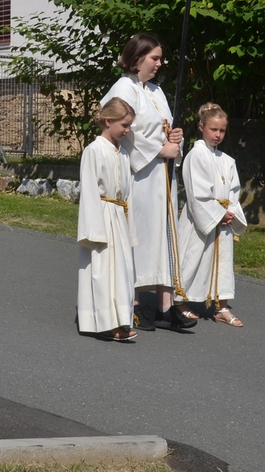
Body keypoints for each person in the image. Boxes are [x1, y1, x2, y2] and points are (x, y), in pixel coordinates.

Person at [100, 33, 194, 331]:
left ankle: (166, 306)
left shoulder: (156, 90)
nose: (159, 63)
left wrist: (175, 139)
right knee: (140, 235)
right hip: (139, 175)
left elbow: (163, 128)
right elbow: (122, 130)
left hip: (162, 177)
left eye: (160, 58)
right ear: (138, 58)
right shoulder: (123, 88)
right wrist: (158, 150)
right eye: (155, 58)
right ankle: (134, 303)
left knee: (163, 235)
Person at [177, 102, 247, 327]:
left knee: (222, 262)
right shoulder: (196, 155)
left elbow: (234, 191)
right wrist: (218, 214)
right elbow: (197, 194)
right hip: (201, 220)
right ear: (202, 127)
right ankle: (179, 301)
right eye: (213, 129)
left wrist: (230, 212)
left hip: (223, 220)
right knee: (192, 258)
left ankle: (221, 306)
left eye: (222, 130)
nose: (218, 135)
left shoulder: (227, 161)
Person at [76, 97, 138, 343]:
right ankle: (102, 321)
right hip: (101, 217)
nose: (127, 130)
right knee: (102, 270)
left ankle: (120, 319)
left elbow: (127, 192)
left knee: (121, 271)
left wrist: (130, 225)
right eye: (124, 125)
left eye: (129, 125)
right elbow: (89, 191)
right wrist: (94, 230)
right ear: (108, 121)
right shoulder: (94, 150)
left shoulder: (123, 153)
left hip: (119, 216)